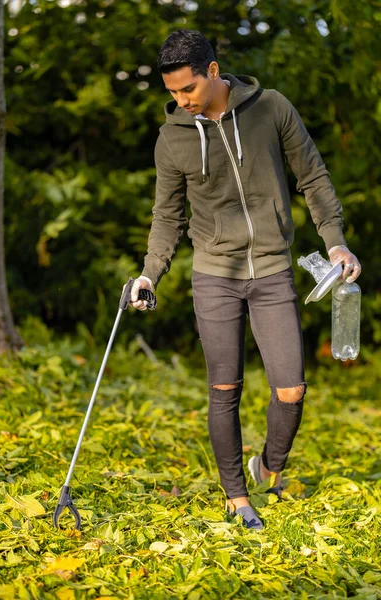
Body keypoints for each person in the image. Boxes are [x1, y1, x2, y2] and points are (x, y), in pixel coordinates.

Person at [129, 29, 361, 529]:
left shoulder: (271, 108)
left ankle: (269, 469)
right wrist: (150, 274)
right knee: (224, 388)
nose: (181, 101)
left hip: (274, 269)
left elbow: (313, 177)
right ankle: (236, 496)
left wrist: (335, 241)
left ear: (213, 71)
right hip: (215, 276)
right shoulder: (172, 138)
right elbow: (167, 217)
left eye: (187, 89)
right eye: (171, 93)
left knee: (291, 389)